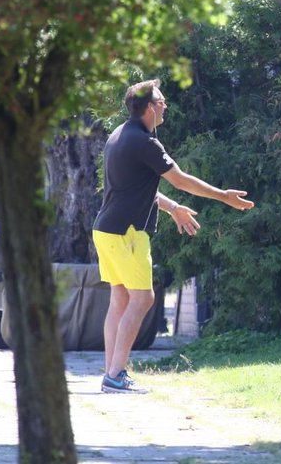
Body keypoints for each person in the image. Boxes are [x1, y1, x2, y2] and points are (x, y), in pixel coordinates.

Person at [92, 79, 254, 394]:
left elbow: (138, 189)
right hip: (127, 232)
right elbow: (179, 180)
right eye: (162, 101)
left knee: (121, 299)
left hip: (106, 230)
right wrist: (223, 196)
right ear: (150, 108)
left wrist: (173, 208)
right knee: (143, 299)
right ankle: (116, 374)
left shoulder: (119, 136)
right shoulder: (144, 142)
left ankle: (111, 372)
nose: (166, 105)